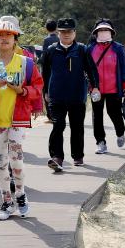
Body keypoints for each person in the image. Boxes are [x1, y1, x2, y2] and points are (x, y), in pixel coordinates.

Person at [0, 17, 44, 220]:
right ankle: (6, 201)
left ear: (15, 38)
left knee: (16, 160)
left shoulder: (27, 63)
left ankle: (21, 196)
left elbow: (37, 88)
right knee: (0, 161)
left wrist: (22, 90)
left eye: (8, 35)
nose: (4, 38)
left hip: (18, 119)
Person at [42, 18, 99, 171]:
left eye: (69, 31)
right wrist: (45, 92)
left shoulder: (82, 50)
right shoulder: (51, 50)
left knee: (77, 127)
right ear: (58, 33)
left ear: (75, 33)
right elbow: (45, 73)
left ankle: (77, 155)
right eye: (63, 32)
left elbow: (91, 70)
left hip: (77, 95)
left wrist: (95, 87)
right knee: (58, 125)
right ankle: (57, 157)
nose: (66, 34)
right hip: (56, 96)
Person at [87, 19, 125, 154]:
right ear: (96, 33)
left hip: (114, 87)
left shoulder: (118, 48)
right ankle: (101, 142)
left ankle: (120, 132)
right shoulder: (90, 48)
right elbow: (86, 68)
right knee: (97, 115)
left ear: (111, 32)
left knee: (114, 113)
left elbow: (124, 67)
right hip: (96, 89)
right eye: (100, 30)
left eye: (106, 30)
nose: (103, 32)